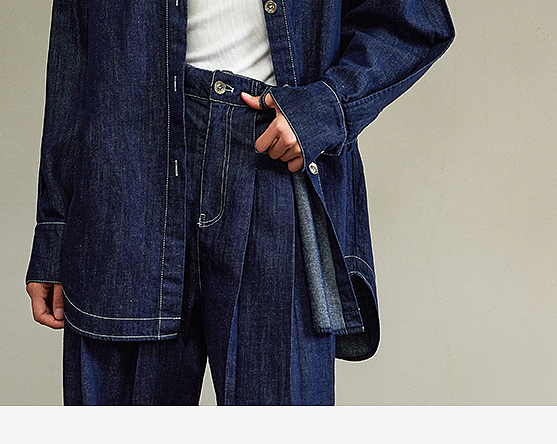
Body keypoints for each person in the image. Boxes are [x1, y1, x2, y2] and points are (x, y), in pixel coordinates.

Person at [26, 0, 454, 405]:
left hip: (271, 166)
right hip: (127, 173)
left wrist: (323, 107)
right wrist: (54, 228)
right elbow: (74, 44)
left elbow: (415, 20)